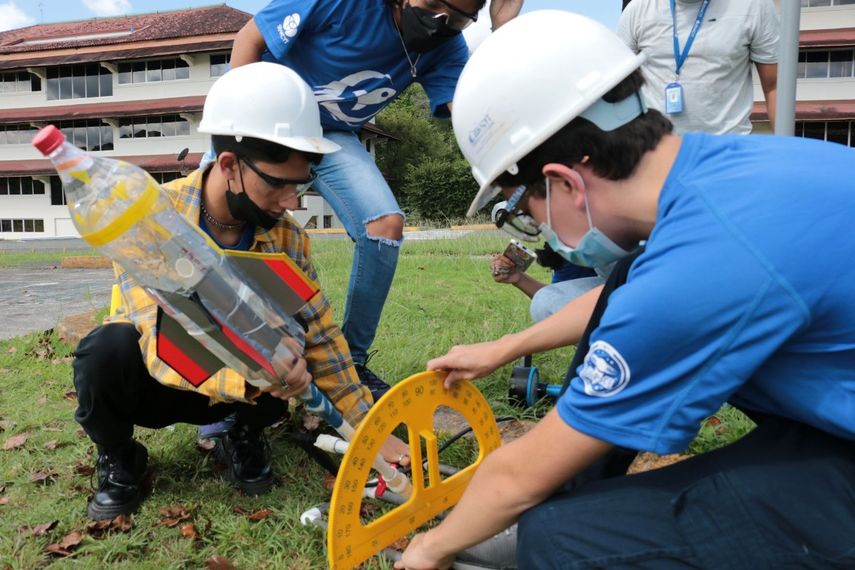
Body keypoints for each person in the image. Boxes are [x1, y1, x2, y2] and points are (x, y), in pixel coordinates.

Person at [397, 11, 855, 569]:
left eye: (527, 211)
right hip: (827, 420)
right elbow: (633, 302)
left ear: (563, 181)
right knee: (619, 286)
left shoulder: (707, 263)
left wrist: (429, 550)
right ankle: (574, 498)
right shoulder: (727, 175)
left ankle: (565, 516)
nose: (538, 230)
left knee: (563, 540)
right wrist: (506, 348)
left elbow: (517, 474)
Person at [72, 63, 409, 521]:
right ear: (229, 165)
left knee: (297, 333)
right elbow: (154, 333)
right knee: (103, 350)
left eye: (302, 183)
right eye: (279, 184)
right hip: (166, 382)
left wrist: (370, 432)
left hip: (254, 394)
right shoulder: (151, 217)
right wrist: (253, 375)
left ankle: (243, 434)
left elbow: (325, 340)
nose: (293, 202)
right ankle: (120, 458)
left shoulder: (288, 239)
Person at [225, 0, 524, 400]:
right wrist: (242, 129)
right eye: (433, 5)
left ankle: (350, 364)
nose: (439, 22)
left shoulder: (445, 49)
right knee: (222, 217)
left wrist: (502, 30)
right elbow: (250, 37)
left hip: (333, 135)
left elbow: (473, 120)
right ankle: (222, 376)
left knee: (384, 225)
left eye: (456, 18)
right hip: (269, 121)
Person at [618, 0, 779, 134]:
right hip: (658, 152)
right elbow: (618, 88)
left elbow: (774, 87)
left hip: (727, 149)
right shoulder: (638, 10)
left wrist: (789, 154)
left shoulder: (754, 6)